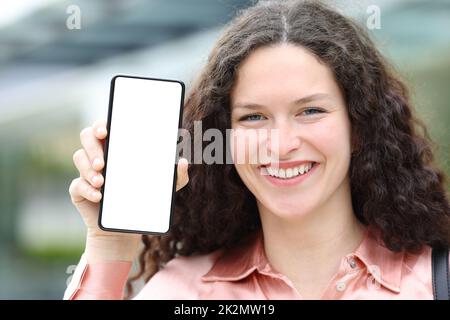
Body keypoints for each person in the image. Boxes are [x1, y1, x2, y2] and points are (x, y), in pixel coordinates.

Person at [65, 0, 450, 300]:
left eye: (310, 111)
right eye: (253, 118)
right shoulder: (183, 290)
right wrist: (109, 245)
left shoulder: (436, 280)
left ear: (359, 125)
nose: (281, 145)